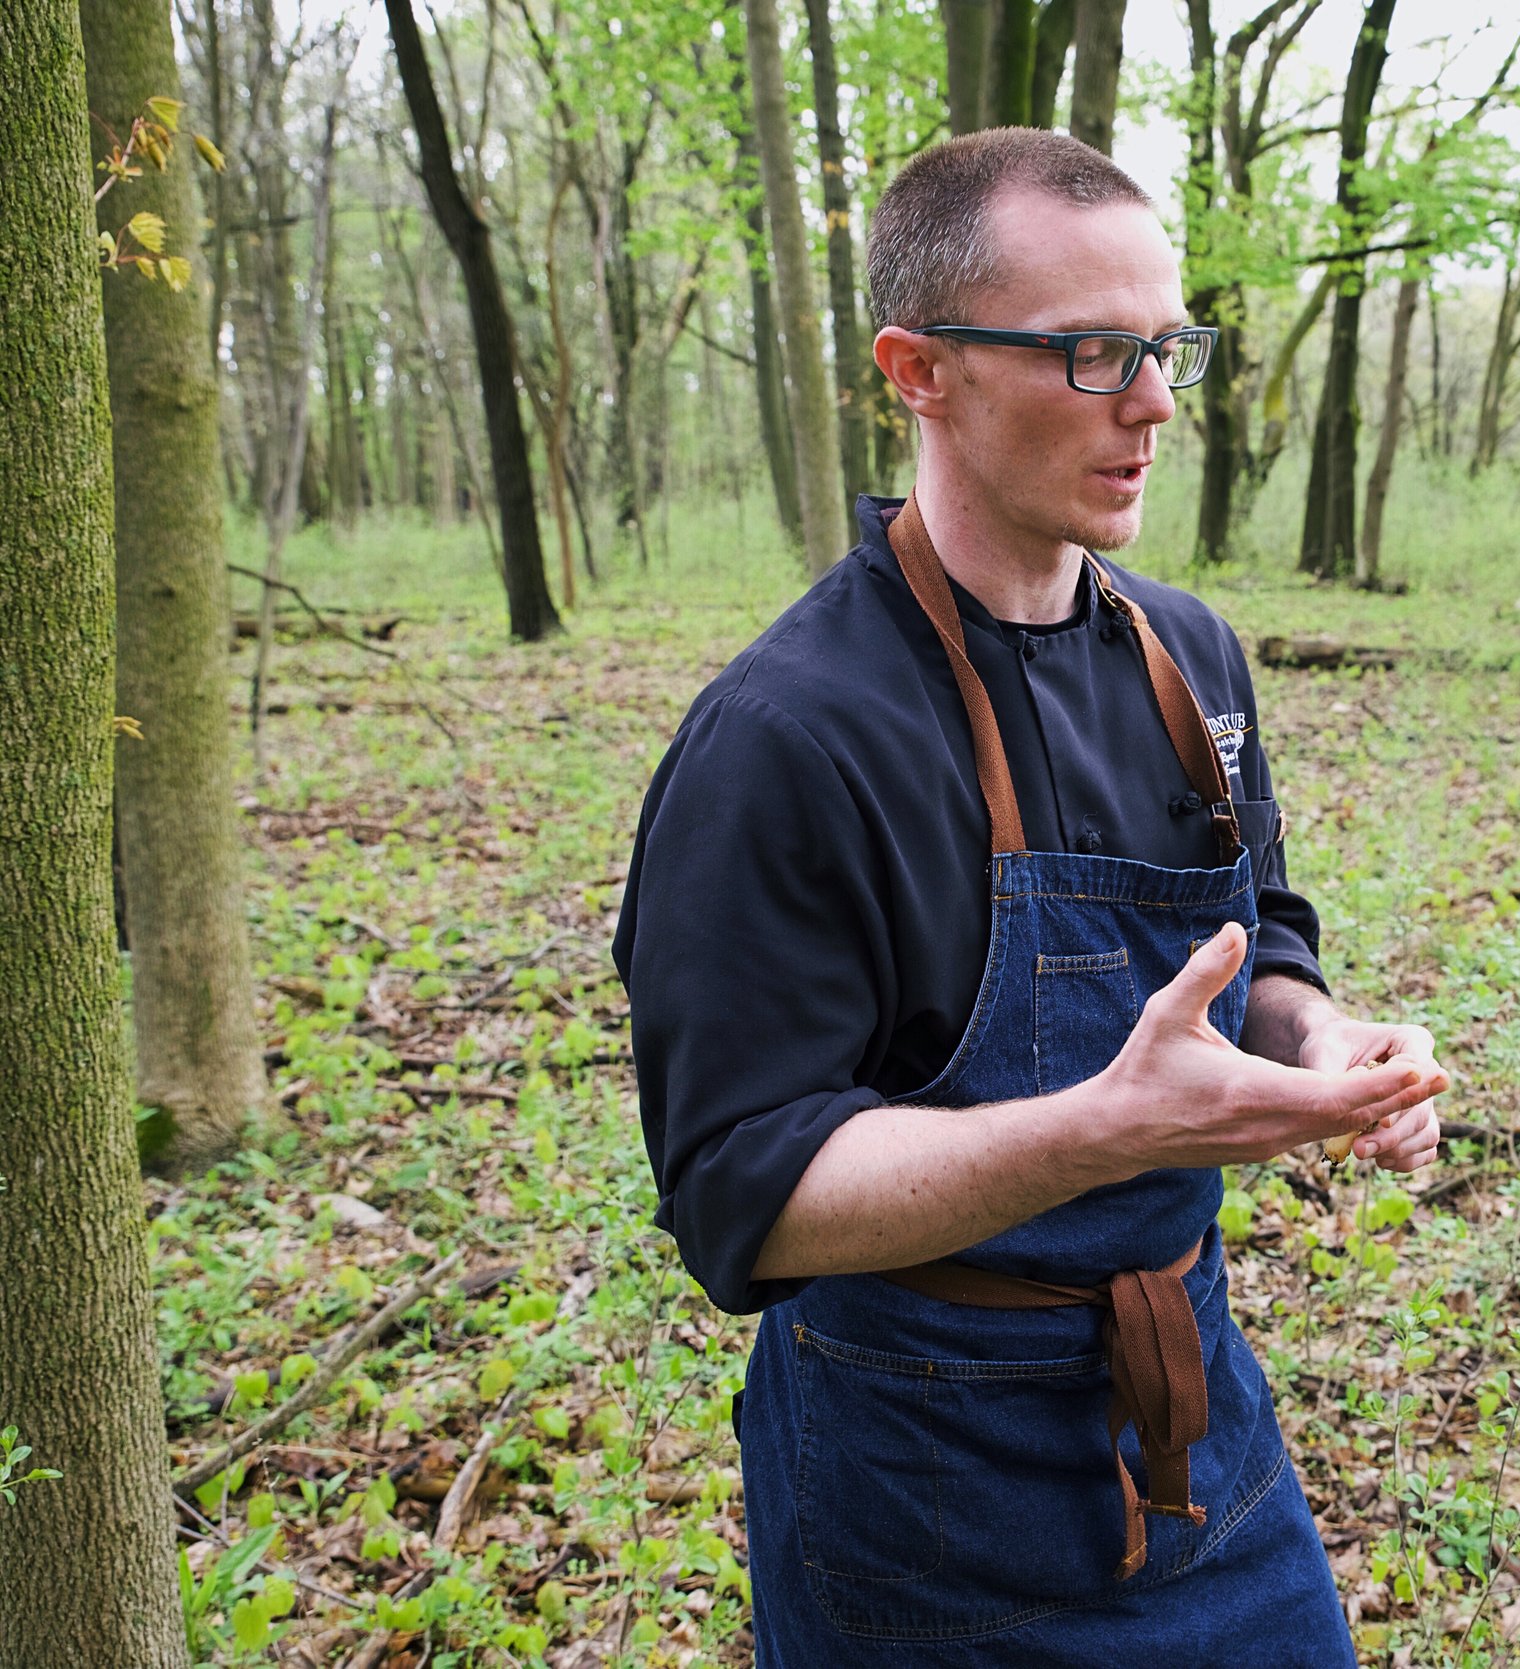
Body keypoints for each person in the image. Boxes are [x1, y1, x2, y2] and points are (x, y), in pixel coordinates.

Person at [613, 127, 1452, 1666]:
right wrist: (1108, 1128)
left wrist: (1319, 1037)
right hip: (917, 1484)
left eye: (1166, 345)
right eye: (1089, 353)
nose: (1153, 403)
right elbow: (743, 1190)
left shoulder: (1189, 659)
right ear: (918, 369)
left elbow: (1258, 929)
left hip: (1191, 1422)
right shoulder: (790, 739)